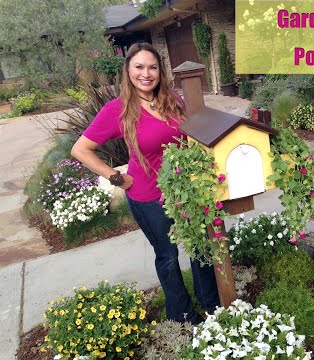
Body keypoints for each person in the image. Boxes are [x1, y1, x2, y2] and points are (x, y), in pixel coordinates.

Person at [71, 42, 219, 324]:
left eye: (152, 67)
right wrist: (118, 178)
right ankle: (184, 316)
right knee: (168, 256)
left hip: (186, 192)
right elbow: (80, 149)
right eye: (139, 67)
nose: (146, 73)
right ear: (128, 70)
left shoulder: (172, 99)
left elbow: (194, 133)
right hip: (148, 197)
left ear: (160, 71)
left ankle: (212, 304)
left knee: (201, 248)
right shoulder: (118, 109)